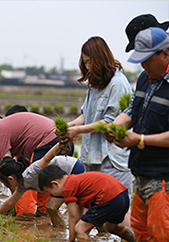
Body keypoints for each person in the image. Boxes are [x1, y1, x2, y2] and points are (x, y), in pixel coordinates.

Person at [62, 36, 133, 226]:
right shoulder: (95, 83)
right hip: (92, 155)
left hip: (111, 157)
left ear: (100, 58)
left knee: (118, 210)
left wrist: (77, 131)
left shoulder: (118, 84)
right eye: (84, 63)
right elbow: (87, 114)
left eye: (89, 62)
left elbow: (110, 122)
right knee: (97, 209)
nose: (87, 67)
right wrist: (68, 126)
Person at [108, 27, 169, 241]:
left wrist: (140, 140)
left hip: (163, 178)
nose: (143, 65)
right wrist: (115, 126)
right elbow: (133, 110)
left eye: (148, 59)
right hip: (140, 172)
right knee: (140, 233)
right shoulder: (144, 78)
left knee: (161, 234)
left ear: (165, 54)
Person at [0, 143, 84, 227]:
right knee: (51, 207)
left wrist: (60, 144)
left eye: (4, 182)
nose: (5, 186)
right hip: (59, 180)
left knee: (61, 206)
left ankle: (77, 230)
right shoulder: (22, 185)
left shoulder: (30, 173)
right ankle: (61, 231)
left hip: (72, 169)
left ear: (11, 179)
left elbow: (46, 158)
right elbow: (10, 202)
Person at [39, 166, 135, 242]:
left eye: (51, 192)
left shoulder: (68, 187)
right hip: (122, 196)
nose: (54, 195)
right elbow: (79, 215)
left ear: (56, 184)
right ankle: (137, 239)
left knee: (79, 229)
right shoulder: (76, 180)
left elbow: (73, 217)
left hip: (109, 198)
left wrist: (71, 239)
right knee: (111, 228)